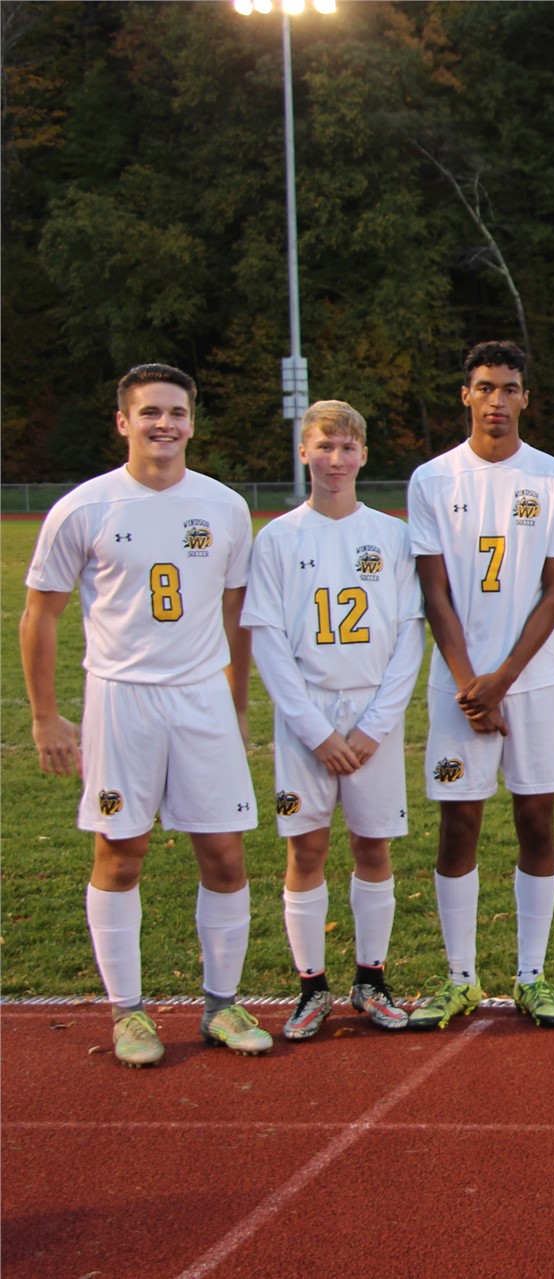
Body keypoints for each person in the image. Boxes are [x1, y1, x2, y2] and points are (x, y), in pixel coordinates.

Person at [21, 363, 270, 1064]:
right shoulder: (85, 506)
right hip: (119, 700)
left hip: (200, 699)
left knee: (224, 853)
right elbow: (40, 614)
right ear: (123, 421)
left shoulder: (222, 505)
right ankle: (128, 1012)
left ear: (193, 421)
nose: (164, 424)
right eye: (150, 412)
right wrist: (47, 716)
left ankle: (220, 1004)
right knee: (120, 852)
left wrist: (237, 699)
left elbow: (236, 611)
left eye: (176, 412)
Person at [406, 340, 554, 1030]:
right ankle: (459, 977)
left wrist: (501, 681)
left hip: (531, 684)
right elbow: (434, 591)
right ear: (466, 395)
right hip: (459, 687)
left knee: (537, 820)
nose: (498, 400)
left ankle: (532, 975)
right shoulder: (432, 478)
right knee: (460, 824)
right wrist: (468, 683)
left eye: (510, 388)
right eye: (486, 387)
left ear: (525, 399)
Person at [243, 400, 423, 1039]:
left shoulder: (393, 534)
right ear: (304, 451)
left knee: (372, 846)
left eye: (348, 448)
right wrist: (316, 733)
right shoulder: (278, 538)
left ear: (364, 455)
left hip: (373, 715)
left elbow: (408, 637)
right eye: (324, 446)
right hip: (306, 721)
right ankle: (310, 988)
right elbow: (266, 641)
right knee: (308, 846)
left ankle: (371, 980)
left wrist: (374, 726)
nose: (337, 459)